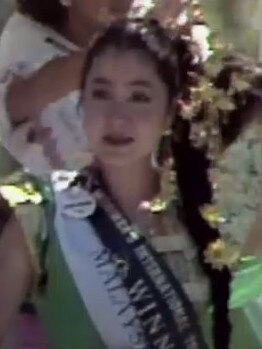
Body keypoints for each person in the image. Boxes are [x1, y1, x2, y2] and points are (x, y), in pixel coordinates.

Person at [1, 14, 262, 349]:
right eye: (101, 93)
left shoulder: (207, 219)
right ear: (81, 103)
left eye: (139, 97)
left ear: (169, 114)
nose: (117, 118)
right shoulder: (40, 215)